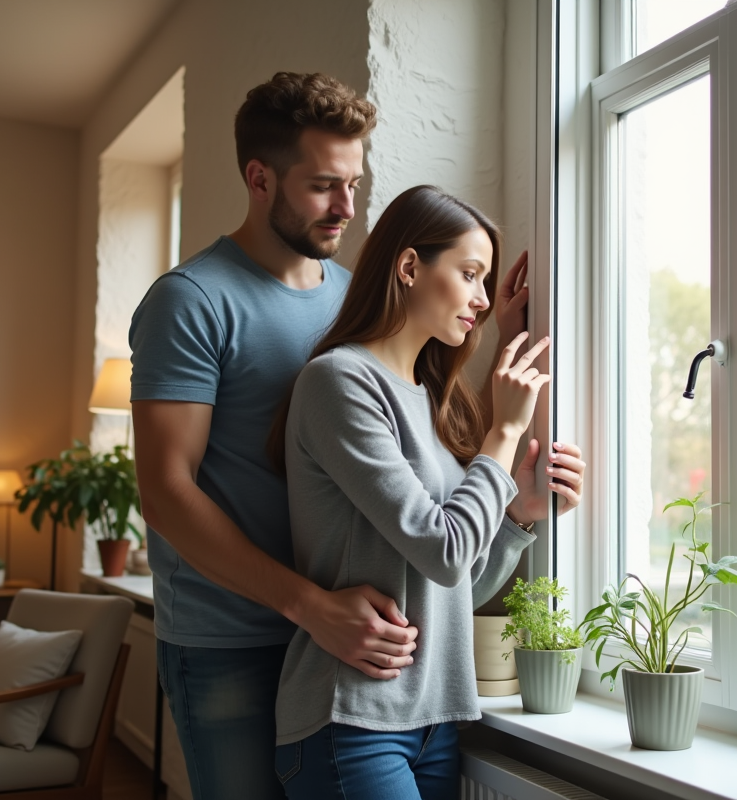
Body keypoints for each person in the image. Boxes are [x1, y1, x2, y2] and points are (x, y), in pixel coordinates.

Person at [129, 73, 585, 799]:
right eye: (321, 187)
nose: (347, 207)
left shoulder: (353, 300)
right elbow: (166, 492)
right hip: (234, 634)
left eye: (354, 183)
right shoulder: (192, 302)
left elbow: (415, 429)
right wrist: (309, 606)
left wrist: (486, 321)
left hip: (356, 638)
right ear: (259, 179)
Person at [272, 185, 576, 799]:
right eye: (469, 274)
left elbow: (452, 588)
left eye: (487, 281)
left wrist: (520, 518)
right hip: (352, 719)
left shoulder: (438, 403)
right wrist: (506, 430)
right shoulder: (340, 382)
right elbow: (444, 550)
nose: (483, 300)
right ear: (410, 267)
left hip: (435, 723)